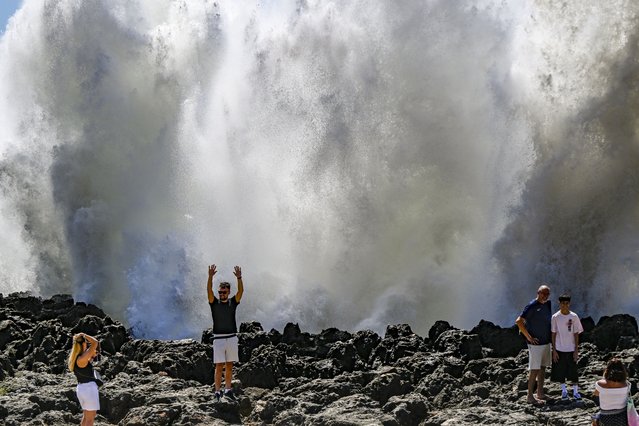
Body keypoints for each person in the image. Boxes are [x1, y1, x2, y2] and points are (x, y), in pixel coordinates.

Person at [207, 264, 244, 402]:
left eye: (224, 292)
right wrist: (210, 277)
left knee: (229, 365)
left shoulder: (233, 302)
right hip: (219, 338)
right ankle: (217, 391)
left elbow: (241, 291)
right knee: (219, 366)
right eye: (220, 292)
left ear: (228, 292)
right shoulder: (214, 303)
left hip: (232, 337)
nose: (221, 294)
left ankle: (228, 390)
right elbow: (209, 291)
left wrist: (239, 278)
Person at [515, 284, 552, 405]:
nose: (545, 296)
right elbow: (519, 321)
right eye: (543, 293)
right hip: (535, 344)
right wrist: (529, 337)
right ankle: (529, 396)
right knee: (534, 369)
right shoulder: (532, 306)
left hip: (546, 341)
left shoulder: (547, 304)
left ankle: (540, 393)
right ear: (538, 293)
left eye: (547, 294)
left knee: (542, 368)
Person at [551, 293, 584, 400]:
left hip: (571, 348)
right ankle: (564, 391)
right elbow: (553, 333)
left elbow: (576, 333)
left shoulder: (574, 316)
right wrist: (554, 350)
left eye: (566, 303)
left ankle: (575, 392)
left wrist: (576, 350)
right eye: (562, 303)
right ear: (559, 304)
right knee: (561, 371)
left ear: (569, 304)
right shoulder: (555, 317)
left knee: (573, 371)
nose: (564, 305)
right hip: (559, 348)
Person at [68, 332, 101, 426]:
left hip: (82, 389)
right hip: (89, 389)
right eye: (86, 342)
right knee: (90, 420)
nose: (87, 343)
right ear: (83, 344)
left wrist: (91, 357)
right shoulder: (82, 359)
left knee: (86, 417)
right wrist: (84, 335)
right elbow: (95, 342)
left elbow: (84, 367)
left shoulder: (76, 358)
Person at [592, 358, 629, 426]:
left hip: (606, 418)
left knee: (594, 417)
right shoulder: (627, 385)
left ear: (607, 370)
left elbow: (595, 394)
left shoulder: (600, 384)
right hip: (622, 418)